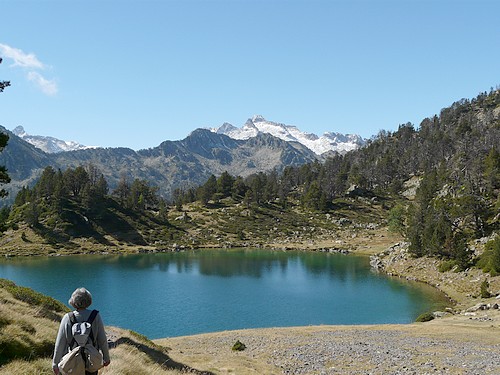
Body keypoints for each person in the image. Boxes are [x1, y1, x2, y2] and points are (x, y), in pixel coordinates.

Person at [52, 287, 111, 375]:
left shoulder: (67, 317)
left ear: (73, 301)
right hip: (91, 360)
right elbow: (102, 340)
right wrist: (106, 358)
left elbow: (60, 343)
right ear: (89, 301)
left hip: (72, 360)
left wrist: (55, 364)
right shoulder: (96, 316)